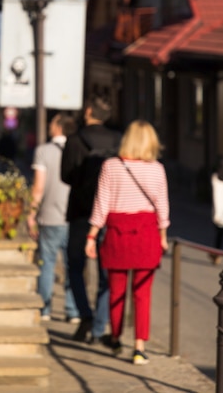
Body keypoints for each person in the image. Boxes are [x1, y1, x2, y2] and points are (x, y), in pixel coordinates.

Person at [85, 119, 170, 365]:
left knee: (116, 290)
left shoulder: (111, 166)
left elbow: (101, 203)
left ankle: (116, 336)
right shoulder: (157, 169)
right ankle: (139, 347)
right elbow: (162, 207)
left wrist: (91, 235)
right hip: (147, 234)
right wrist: (163, 237)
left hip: (116, 234)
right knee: (143, 293)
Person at [61, 95, 121, 343]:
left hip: (80, 213)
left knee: (75, 267)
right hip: (109, 214)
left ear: (88, 111)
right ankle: (98, 327)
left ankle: (84, 313)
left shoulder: (75, 140)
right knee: (106, 272)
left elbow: (65, 176)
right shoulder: (118, 140)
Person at [27, 113, 79, 323]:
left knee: (46, 263)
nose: (49, 125)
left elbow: (38, 187)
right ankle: (73, 310)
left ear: (58, 127)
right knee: (72, 265)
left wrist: (31, 214)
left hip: (49, 216)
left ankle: (45, 308)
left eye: (52, 123)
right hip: (73, 216)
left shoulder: (43, 151)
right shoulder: (78, 149)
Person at [210, 156, 223, 264]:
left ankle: (216, 254)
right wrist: (217, 215)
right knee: (219, 236)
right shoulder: (215, 180)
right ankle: (216, 254)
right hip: (219, 215)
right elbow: (216, 198)